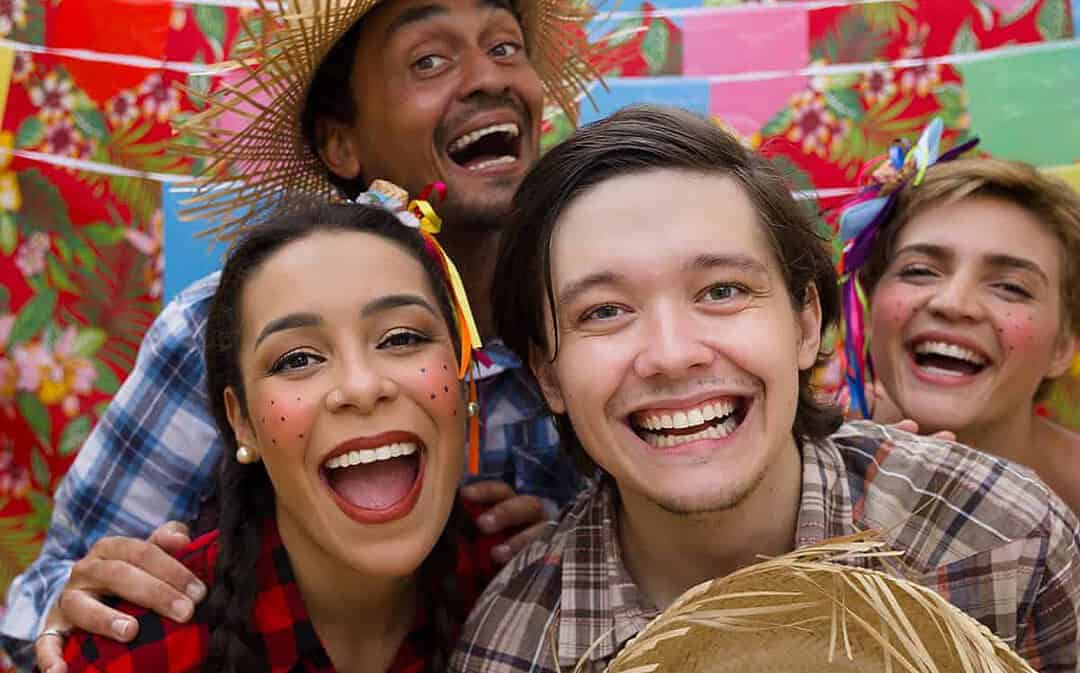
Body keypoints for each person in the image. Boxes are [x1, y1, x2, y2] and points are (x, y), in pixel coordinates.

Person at [2, 0, 602, 669]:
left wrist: (561, 563)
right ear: (340, 143)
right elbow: (49, 600)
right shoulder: (210, 332)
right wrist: (75, 614)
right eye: (428, 59)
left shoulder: (587, 323)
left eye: (505, 46)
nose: (489, 78)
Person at [450, 105, 1080, 673]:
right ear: (549, 375)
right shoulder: (513, 649)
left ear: (807, 323)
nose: (672, 354)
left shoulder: (1005, 540)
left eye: (722, 291)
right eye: (605, 311)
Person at [62, 197, 508, 673]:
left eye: (401, 338)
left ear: (465, 381)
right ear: (242, 423)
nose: (361, 387)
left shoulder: (531, 590)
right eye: (296, 359)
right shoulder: (131, 648)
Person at [840, 151, 1080, 514]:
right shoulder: (797, 461)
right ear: (869, 306)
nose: (952, 303)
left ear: (1063, 348)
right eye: (919, 270)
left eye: (1011, 288)